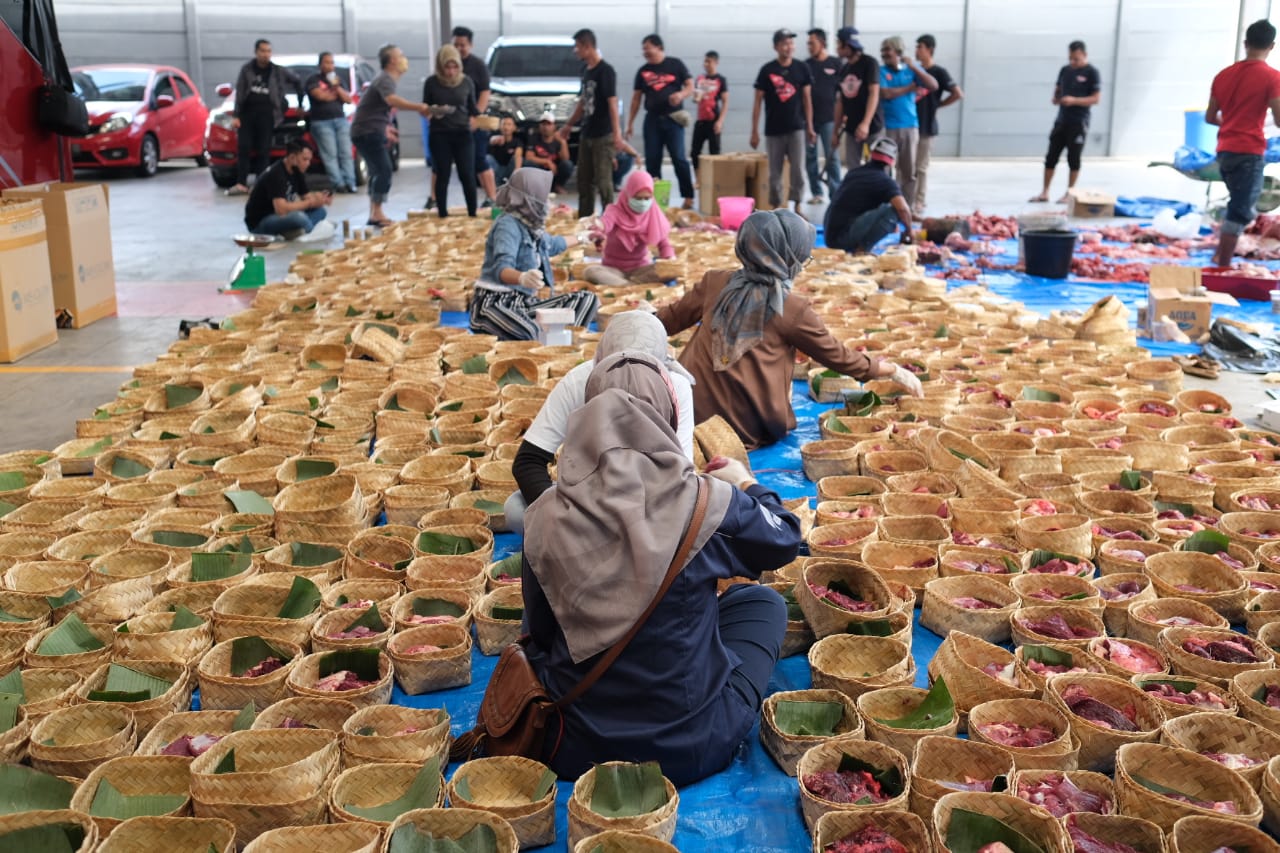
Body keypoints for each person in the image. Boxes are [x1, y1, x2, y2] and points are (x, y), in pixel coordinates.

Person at [522, 350, 799, 786]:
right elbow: (785, 538)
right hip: (690, 745)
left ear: (588, 413)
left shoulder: (543, 516)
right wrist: (746, 482)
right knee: (760, 602)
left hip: (577, 746)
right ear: (669, 415)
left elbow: (539, 633)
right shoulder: (706, 503)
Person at [657, 209, 922, 449]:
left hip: (686, 411)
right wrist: (891, 370)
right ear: (786, 258)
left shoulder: (715, 281)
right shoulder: (791, 309)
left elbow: (667, 321)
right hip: (741, 429)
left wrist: (633, 326)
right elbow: (840, 358)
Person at [505, 310, 697, 532]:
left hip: (649, 503)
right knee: (515, 508)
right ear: (600, 362)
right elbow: (528, 462)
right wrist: (562, 516)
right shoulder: (579, 382)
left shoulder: (675, 388)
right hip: (588, 502)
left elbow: (680, 475)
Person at [472, 168, 600, 340]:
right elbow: (501, 269)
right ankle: (544, 343)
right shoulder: (507, 225)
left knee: (586, 300)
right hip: (494, 304)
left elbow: (552, 244)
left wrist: (583, 237)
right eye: (544, 197)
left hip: (523, 303)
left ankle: (558, 342)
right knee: (529, 332)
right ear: (529, 199)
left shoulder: (531, 226)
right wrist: (522, 277)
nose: (548, 201)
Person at [1207, 19, 1280, 267]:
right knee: (1241, 210)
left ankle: (1220, 255)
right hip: (1249, 151)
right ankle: (1223, 265)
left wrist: (1232, 124)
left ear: (1246, 43)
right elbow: (1279, 119)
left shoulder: (1223, 76)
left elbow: (1210, 116)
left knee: (1235, 203)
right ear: (1272, 46)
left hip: (1225, 150)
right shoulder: (1272, 77)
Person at [350, 44, 431, 228]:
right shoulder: (386, 79)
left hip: (367, 131)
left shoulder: (384, 80)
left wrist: (385, 128)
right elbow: (391, 100)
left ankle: (374, 213)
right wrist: (419, 107)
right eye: (400, 55)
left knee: (376, 171)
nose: (404, 59)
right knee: (383, 170)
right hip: (367, 132)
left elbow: (374, 110)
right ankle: (377, 212)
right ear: (393, 60)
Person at [626, 35, 696, 210]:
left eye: (647, 48)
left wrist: (681, 95)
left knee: (679, 158)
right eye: (643, 49)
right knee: (652, 160)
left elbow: (690, 86)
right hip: (652, 120)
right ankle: (651, 199)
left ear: (659, 47)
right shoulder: (643, 71)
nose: (645, 52)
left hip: (674, 119)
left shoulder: (675, 64)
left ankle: (688, 197)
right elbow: (636, 99)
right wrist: (630, 123)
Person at [751, 29, 815, 216]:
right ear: (776, 47)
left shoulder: (802, 68)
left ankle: (797, 205)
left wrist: (810, 127)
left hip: (796, 128)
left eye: (791, 43)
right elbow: (757, 103)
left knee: (798, 169)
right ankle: (776, 206)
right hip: (773, 130)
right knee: (774, 172)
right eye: (784, 43)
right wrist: (754, 131)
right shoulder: (767, 70)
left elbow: (807, 100)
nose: (789, 47)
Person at [1030, 40, 1102, 203]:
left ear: (1084, 55)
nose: (1073, 62)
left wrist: (1074, 100)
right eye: (1070, 58)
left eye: (1076, 59)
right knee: (1051, 157)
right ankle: (1045, 192)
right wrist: (1056, 97)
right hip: (1061, 120)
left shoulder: (1092, 72)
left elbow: (1096, 99)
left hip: (1079, 122)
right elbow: (1058, 89)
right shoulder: (1065, 70)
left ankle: (1069, 193)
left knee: (1073, 159)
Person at [228, 39, 301, 196]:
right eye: (263, 51)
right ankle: (241, 183)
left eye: (268, 51)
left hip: (268, 115)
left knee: (263, 150)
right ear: (256, 52)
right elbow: (240, 93)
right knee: (244, 148)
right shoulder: (247, 69)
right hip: (247, 115)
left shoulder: (277, 71)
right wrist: (236, 115)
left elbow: (297, 81)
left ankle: (259, 185)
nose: (266, 54)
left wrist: (299, 103)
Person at [561, 29, 621, 220]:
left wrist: (617, 134)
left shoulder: (606, 71)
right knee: (584, 181)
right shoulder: (585, 71)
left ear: (588, 46)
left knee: (604, 181)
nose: (575, 51)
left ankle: (610, 220)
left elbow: (612, 103)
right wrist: (569, 125)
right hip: (587, 132)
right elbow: (583, 102)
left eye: (577, 47)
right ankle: (585, 219)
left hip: (603, 135)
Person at [582, 171, 675, 286]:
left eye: (647, 198)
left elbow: (664, 244)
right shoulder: (615, 210)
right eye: (638, 198)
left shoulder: (653, 213)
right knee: (590, 272)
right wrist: (598, 225)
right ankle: (630, 286)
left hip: (641, 269)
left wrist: (670, 259)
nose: (643, 203)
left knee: (669, 270)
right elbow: (606, 223)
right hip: (613, 270)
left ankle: (625, 285)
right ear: (628, 194)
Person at [878, 36, 936, 216]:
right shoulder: (881, 71)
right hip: (888, 127)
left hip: (910, 126)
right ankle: (885, 209)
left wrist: (913, 67)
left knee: (908, 171)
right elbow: (886, 93)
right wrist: (909, 89)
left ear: (898, 52)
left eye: (889, 50)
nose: (885, 54)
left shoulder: (910, 71)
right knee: (885, 170)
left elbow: (933, 85)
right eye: (884, 51)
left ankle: (907, 209)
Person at [825, 137, 914, 254]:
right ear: (892, 162)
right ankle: (862, 249)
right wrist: (909, 231)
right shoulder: (885, 181)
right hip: (841, 240)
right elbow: (903, 209)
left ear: (872, 155)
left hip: (830, 236)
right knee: (894, 212)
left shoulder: (854, 172)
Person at [423, 44, 480, 218]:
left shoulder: (467, 82)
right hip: (440, 133)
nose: (451, 71)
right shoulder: (432, 82)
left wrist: (485, 119)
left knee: (467, 174)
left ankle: (472, 213)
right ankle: (442, 214)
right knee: (442, 174)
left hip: (462, 132)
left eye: (454, 66)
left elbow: (472, 108)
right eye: (447, 67)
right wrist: (435, 110)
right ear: (440, 66)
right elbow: (425, 107)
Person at [243, 141, 334, 240]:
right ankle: (310, 232)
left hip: (280, 217)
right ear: (292, 158)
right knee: (299, 217)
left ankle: (297, 231)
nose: (308, 164)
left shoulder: (297, 170)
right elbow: (281, 209)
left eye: (309, 160)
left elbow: (307, 197)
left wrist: (319, 199)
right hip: (261, 222)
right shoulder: (276, 174)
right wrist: (309, 203)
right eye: (305, 159)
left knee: (321, 211)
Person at [913, 34, 963, 216]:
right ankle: (907, 197)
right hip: (910, 124)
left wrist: (939, 104)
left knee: (920, 167)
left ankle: (919, 200)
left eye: (920, 47)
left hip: (927, 125)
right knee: (907, 167)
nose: (917, 51)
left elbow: (957, 93)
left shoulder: (938, 72)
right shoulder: (913, 71)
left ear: (930, 49)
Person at [452, 27, 498, 209]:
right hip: (454, 124)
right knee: (462, 163)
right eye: (455, 44)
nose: (459, 48)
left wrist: (475, 116)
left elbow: (485, 93)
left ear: (470, 45)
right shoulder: (450, 65)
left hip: (474, 122)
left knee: (480, 158)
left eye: (462, 45)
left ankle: (492, 197)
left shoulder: (478, 66)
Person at [305, 52, 356, 194]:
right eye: (327, 62)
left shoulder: (338, 80)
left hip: (340, 120)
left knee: (346, 153)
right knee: (330, 154)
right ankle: (338, 184)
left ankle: (350, 182)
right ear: (320, 64)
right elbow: (320, 96)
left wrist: (336, 87)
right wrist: (332, 95)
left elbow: (348, 99)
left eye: (332, 62)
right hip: (322, 122)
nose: (330, 65)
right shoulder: (313, 79)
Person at [832, 27, 881, 169]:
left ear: (846, 45)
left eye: (838, 43)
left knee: (876, 169)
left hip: (872, 128)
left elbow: (874, 93)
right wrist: (835, 131)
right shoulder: (844, 69)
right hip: (851, 128)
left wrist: (865, 123)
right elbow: (841, 101)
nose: (836, 48)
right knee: (853, 170)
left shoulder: (869, 63)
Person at [804, 29, 844, 204]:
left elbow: (842, 93)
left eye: (812, 43)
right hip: (809, 120)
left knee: (832, 157)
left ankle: (836, 193)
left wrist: (843, 117)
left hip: (830, 119)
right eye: (808, 43)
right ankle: (816, 193)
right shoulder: (806, 65)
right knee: (810, 157)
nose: (809, 46)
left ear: (822, 43)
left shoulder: (836, 64)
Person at [690, 51, 728, 174]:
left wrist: (720, 122)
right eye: (705, 61)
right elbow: (696, 98)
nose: (706, 64)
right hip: (701, 120)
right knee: (695, 152)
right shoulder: (700, 79)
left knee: (715, 152)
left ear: (716, 62)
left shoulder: (721, 80)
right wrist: (696, 97)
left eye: (709, 61)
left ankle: (715, 178)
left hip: (713, 120)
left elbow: (725, 102)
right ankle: (698, 179)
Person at [525, 112, 574, 192]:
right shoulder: (534, 138)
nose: (546, 127)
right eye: (543, 124)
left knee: (567, 164)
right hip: (540, 171)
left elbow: (566, 159)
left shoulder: (558, 140)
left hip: (555, 172)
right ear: (539, 126)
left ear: (554, 126)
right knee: (528, 164)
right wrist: (547, 162)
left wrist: (563, 142)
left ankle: (558, 186)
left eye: (549, 124)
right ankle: (538, 188)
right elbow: (529, 157)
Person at [487, 115, 524, 187]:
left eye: (509, 124)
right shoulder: (495, 137)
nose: (506, 127)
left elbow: (518, 156)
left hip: (509, 170)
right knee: (488, 158)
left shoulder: (517, 142)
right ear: (500, 126)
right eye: (504, 124)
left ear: (514, 127)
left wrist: (516, 172)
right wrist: (494, 140)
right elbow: (491, 140)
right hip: (497, 169)